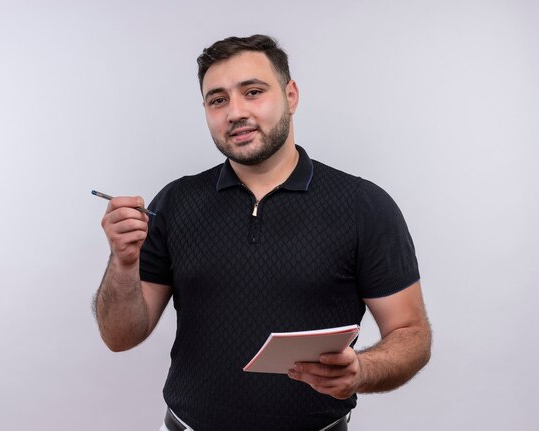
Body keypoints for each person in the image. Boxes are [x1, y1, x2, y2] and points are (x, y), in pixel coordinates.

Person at [94, 34, 431, 431]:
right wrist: (123, 261)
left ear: (291, 95)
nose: (235, 112)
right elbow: (120, 336)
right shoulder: (175, 202)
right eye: (218, 100)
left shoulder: (363, 206)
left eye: (253, 92)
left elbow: (411, 334)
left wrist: (362, 370)